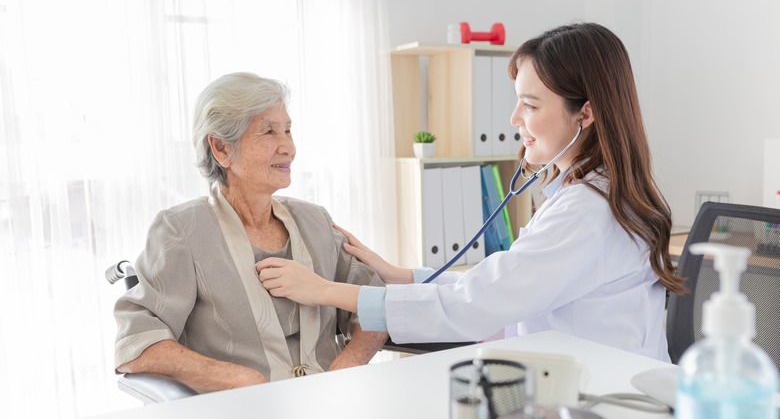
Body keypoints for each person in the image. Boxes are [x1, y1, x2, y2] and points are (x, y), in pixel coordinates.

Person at [256, 22, 686, 362]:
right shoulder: (590, 195)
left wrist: (324, 291)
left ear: (585, 113)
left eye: (531, 105)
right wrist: (402, 275)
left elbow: (478, 304)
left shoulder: (587, 214)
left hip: (600, 398)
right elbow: (505, 285)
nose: (514, 117)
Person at [113, 72, 388, 392]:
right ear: (221, 148)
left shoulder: (314, 220)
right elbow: (137, 341)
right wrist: (242, 379)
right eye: (269, 132)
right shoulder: (181, 231)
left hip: (334, 402)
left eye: (288, 130)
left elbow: (376, 304)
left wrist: (345, 368)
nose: (288, 147)